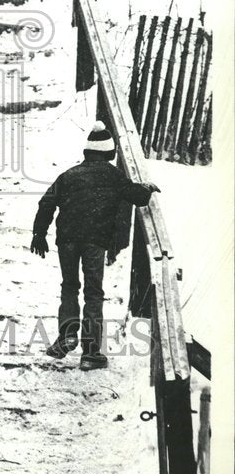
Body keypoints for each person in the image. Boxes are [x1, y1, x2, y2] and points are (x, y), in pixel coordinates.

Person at [30, 122, 159, 370]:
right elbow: (136, 196)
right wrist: (147, 189)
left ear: (87, 152)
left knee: (69, 285)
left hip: (67, 239)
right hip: (95, 240)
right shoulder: (113, 176)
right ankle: (91, 351)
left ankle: (67, 335)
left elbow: (46, 202)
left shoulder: (68, 175)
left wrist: (39, 233)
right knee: (93, 291)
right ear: (109, 153)